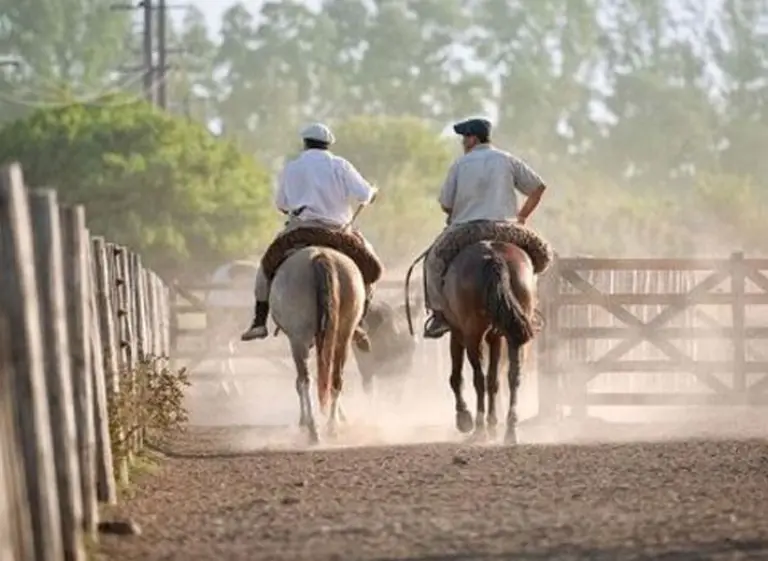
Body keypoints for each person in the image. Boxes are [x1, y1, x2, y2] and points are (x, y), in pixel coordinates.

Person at [240, 122, 378, 341]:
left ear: (305, 143)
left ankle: (259, 321)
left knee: (266, 266)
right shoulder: (341, 165)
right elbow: (364, 195)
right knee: (371, 267)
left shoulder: (291, 167)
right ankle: (359, 320)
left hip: (300, 229)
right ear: (328, 145)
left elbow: (282, 205)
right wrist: (371, 194)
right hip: (338, 231)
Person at [422, 118, 548, 339]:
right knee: (542, 256)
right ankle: (529, 308)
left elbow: (445, 204)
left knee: (432, 261)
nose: (463, 142)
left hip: (466, 229)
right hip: (506, 228)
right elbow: (538, 187)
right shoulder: (507, 159)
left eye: (464, 138)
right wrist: (522, 217)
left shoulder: (461, 164)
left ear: (473, 138)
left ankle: (439, 315)